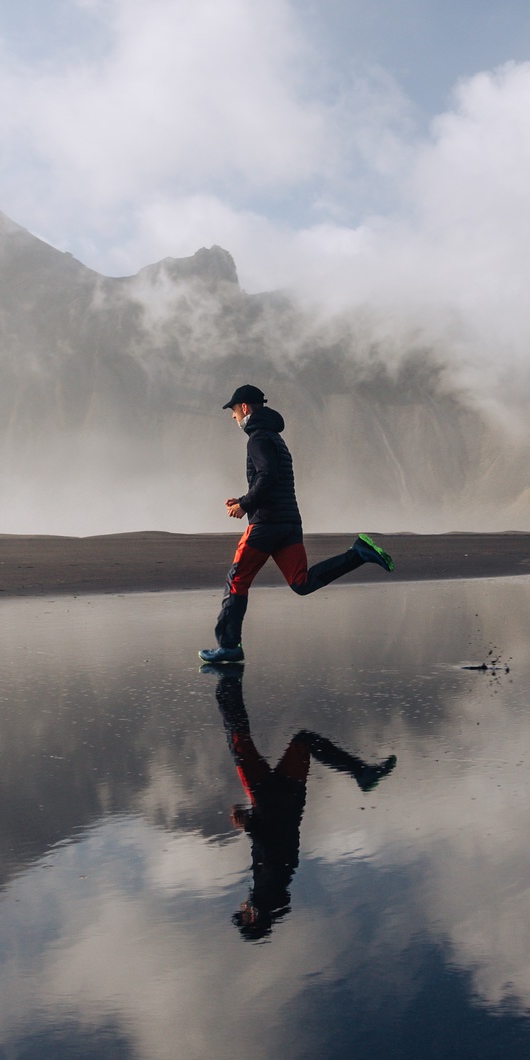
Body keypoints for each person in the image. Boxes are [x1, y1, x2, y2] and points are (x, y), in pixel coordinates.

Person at [199, 384, 394, 666]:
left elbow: (267, 477)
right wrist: (243, 498)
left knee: (237, 580)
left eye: (232, 410)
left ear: (244, 407)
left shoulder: (258, 438)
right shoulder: (275, 438)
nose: (232, 417)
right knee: (301, 583)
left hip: (267, 524)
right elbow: (270, 478)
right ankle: (359, 553)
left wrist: (245, 505)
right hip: (289, 522)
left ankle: (229, 646)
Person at [211, 669, 396, 940]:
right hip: (268, 797)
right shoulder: (266, 892)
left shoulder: (276, 890)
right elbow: (273, 850)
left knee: (303, 742)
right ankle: (228, 681)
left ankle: (362, 773)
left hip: (289, 799)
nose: (241, 908)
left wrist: (254, 824)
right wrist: (249, 825)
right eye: (243, 915)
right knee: (238, 741)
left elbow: (282, 846)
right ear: (252, 918)